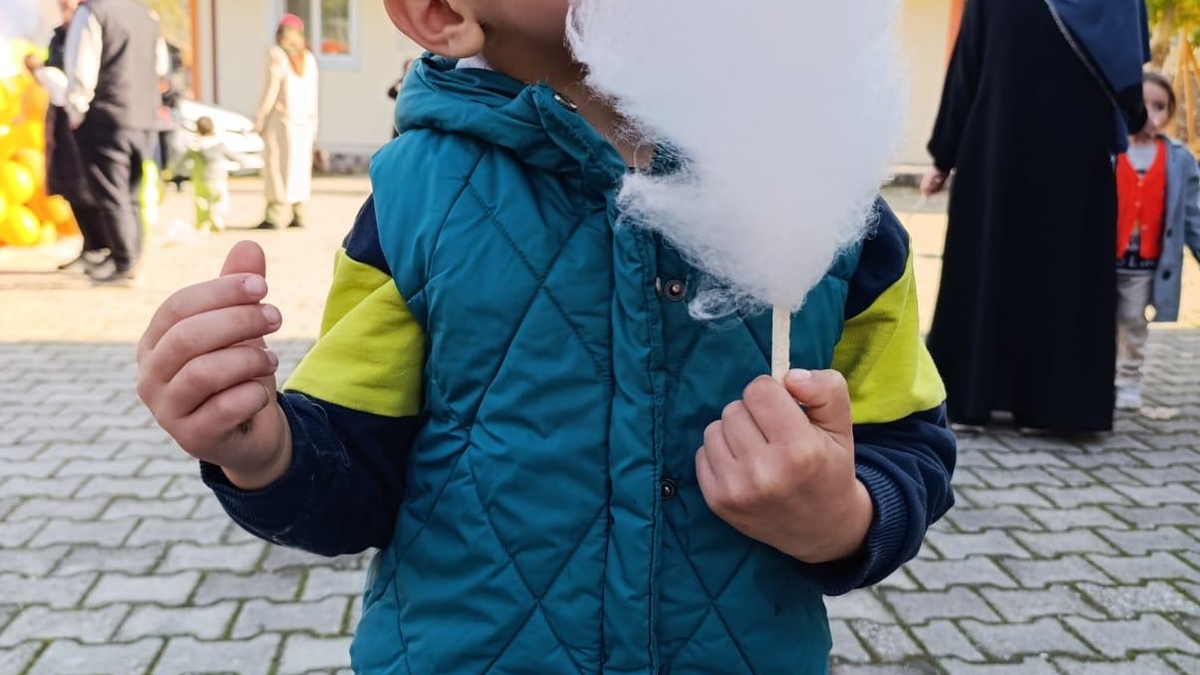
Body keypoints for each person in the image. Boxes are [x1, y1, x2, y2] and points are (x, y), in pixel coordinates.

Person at [135, 2, 956, 673]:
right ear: (440, 12)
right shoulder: (414, 202)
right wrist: (261, 448)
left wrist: (845, 516)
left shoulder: (822, 198)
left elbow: (907, 445)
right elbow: (356, 479)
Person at [921, 0, 1150, 433]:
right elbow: (1127, 70)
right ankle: (1057, 408)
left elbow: (967, 66)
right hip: (1077, 154)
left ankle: (975, 397)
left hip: (998, 148)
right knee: (1065, 266)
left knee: (995, 260)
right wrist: (1133, 116)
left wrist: (943, 155)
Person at [63, 0, 170, 285]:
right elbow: (160, 66)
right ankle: (131, 256)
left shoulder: (93, 11)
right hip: (144, 118)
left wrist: (76, 110)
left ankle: (125, 263)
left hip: (107, 116)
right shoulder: (147, 14)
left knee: (112, 194)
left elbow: (81, 64)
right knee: (133, 193)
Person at [1113, 72, 1200, 411]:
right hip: (1106, 258)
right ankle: (1100, 377)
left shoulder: (1178, 158)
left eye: (1159, 106)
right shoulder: (1111, 148)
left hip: (1144, 262)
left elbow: (1193, 211)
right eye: (1142, 104)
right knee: (1100, 323)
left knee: (1134, 321)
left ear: (1170, 113)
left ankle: (1129, 378)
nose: (1150, 113)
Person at [24, 0, 106, 275]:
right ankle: (89, 245)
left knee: (88, 186)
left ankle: (102, 246)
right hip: (61, 120)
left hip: (86, 121)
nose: (66, 12)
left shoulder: (93, 27)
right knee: (69, 185)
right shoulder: (58, 35)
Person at [253, 14, 318, 231]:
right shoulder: (308, 58)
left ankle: (275, 214)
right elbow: (313, 95)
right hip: (303, 123)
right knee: (299, 168)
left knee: (277, 168)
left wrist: (260, 118)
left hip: (280, 121)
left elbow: (270, 90)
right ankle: (299, 213)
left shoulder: (277, 54)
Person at [167, 116, 236, 233]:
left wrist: (171, 171)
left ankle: (203, 223)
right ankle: (217, 220)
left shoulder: (194, 146)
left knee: (201, 201)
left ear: (197, 129)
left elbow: (180, 161)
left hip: (200, 180)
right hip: (218, 179)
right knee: (219, 200)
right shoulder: (219, 145)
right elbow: (233, 156)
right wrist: (246, 161)